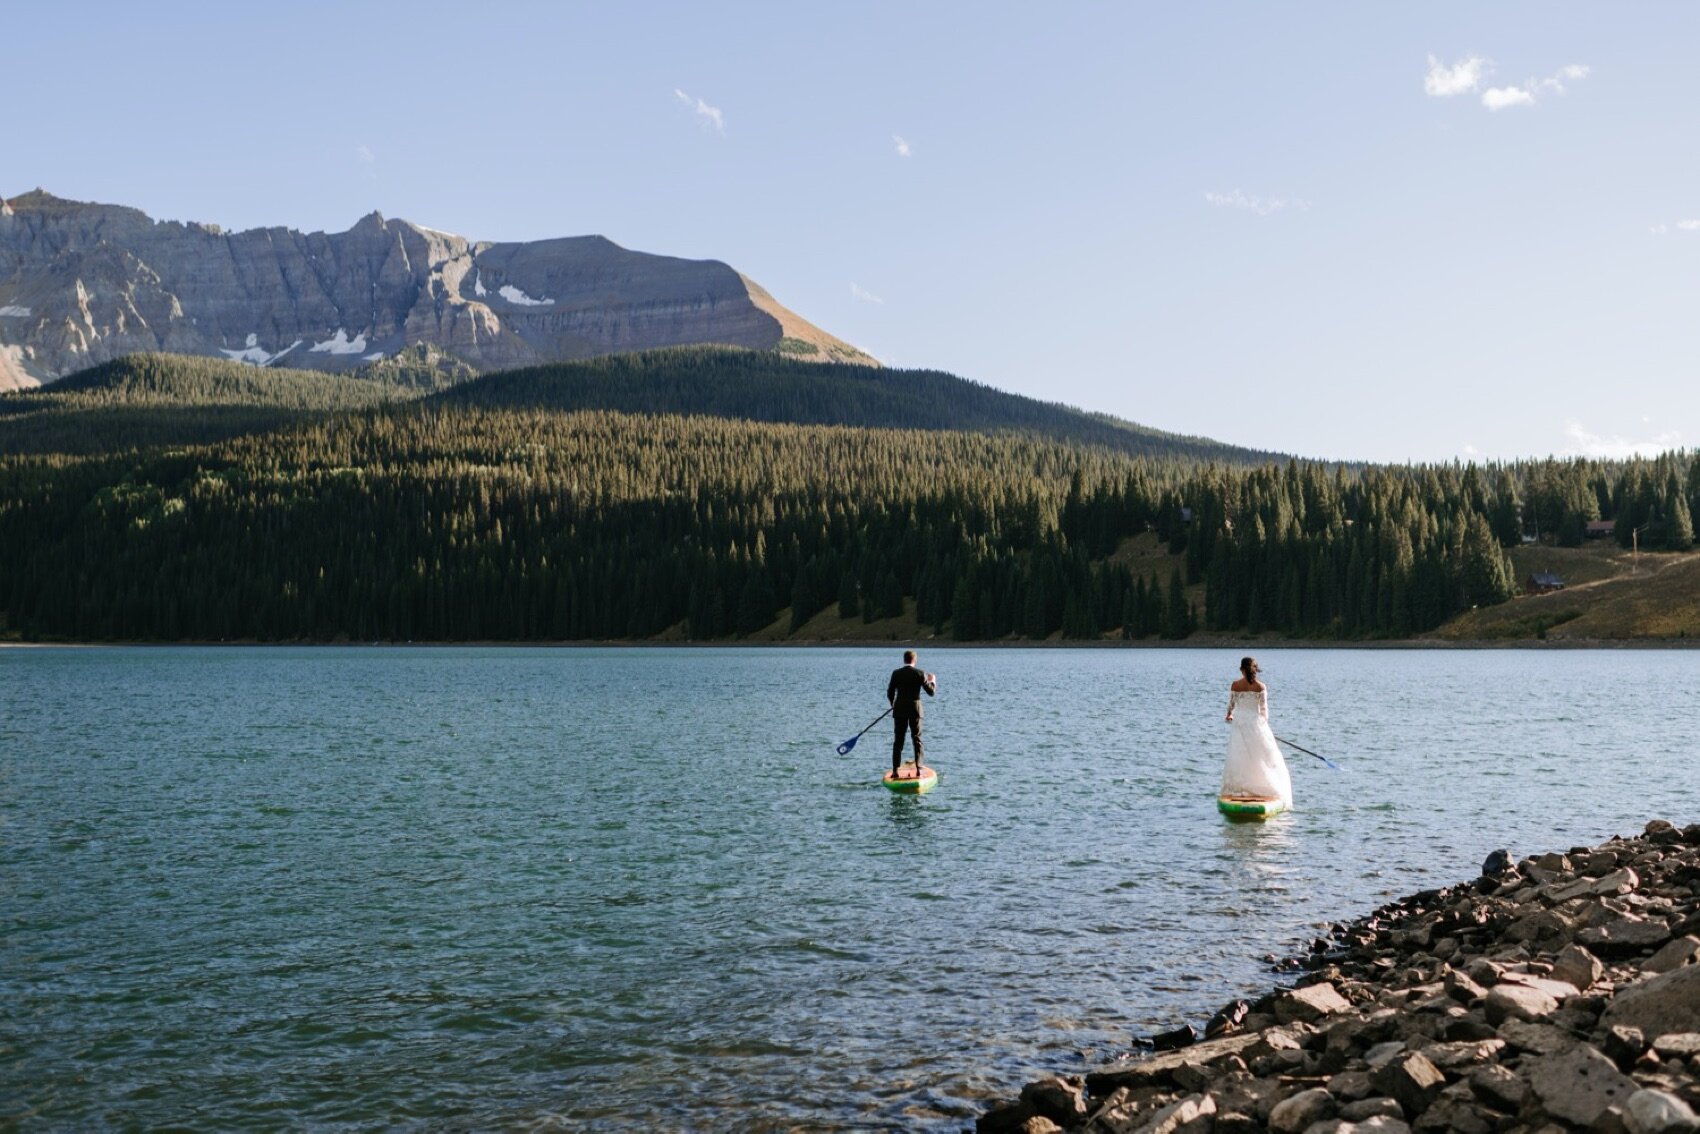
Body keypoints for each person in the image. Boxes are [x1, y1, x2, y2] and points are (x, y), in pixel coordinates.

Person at [1221, 656, 1292, 806]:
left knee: (1240, 754)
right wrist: (1262, 727)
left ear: (1241, 669)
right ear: (1255, 670)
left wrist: (1229, 715)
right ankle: (1261, 786)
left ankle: (1240, 788)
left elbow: (1231, 705)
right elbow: (1264, 713)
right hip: (1254, 723)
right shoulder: (1261, 687)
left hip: (1239, 722)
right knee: (1259, 755)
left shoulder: (1235, 685)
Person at [886, 649, 937, 777]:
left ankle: (895, 771)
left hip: (900, 710)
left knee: (898, 741)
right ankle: (919, 769)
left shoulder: (896, 673)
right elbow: (931, 692)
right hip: (915, 710)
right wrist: (933, 681)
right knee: (917, 739)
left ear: (904, 660)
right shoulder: (920, 673)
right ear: (915, 660)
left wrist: (892, 704)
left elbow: (890, 692)